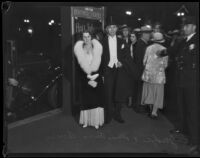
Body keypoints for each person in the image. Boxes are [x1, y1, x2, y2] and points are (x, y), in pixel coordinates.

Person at [168, 16, 199, 154]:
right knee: (181, 106)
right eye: (184, 26)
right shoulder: (183, 41)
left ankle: (195, 140)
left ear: (193, 27)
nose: (184, 28)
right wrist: (161, 52)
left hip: (192, 81)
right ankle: (181, 128)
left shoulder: (196, 40)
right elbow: (173, 52)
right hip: (181, 79)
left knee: (192, 110)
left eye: (186, 26)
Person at [74, 30, 104, 129]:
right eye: (84, 37)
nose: (86, 39)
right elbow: (78, 67)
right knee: (85, 100)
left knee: (95, 100)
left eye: (88, 37)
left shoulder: (97, 48)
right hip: (84, 78)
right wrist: (86, 75)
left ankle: (95, 121)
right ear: (82, 38)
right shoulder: (79, 49)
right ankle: (86, 121)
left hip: (96, 78)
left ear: (91, 37)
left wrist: (97, 75)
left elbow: (102, 64)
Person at [102, 20, 126, 124]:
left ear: (117, 29)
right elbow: (99, 58)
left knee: (119, 92)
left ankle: (117, 114)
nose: (112, 29)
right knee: (108, 93)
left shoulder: (122, 42)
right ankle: (108, 115)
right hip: (107, 70)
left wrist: (123, 63)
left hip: (119, 69)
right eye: (110, 27)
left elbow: (126, 56)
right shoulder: (101, 42)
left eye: (114, 27)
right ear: (107, 29)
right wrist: (102, 73)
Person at [141, 32, 168, 119]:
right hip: (159, 77)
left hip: (148, 75)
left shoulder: (148, 48)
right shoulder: (164, 49)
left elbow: (144, 61)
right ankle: (154, 112)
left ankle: (150, 108)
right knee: (158, 94)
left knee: (149, 92)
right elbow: (165, 64)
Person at [133, 25, 153, 113]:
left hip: (141, 70)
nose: (149, 36)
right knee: (139, 90)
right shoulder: (140, 44)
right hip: (140, 71)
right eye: (148, 34)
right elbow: (139, 60)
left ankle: (138, 106)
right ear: (143, 34)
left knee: (139, 89)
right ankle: (138, 107)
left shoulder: (143, 43)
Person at [115, 24, 133, 108]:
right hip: (121, 63)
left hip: (129, 64)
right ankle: (121, 99)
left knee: (129, 82)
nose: (125, 32)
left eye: (127, 30)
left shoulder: (131, 39)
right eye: (124, 30)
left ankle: (129, 99)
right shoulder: (119, 39)